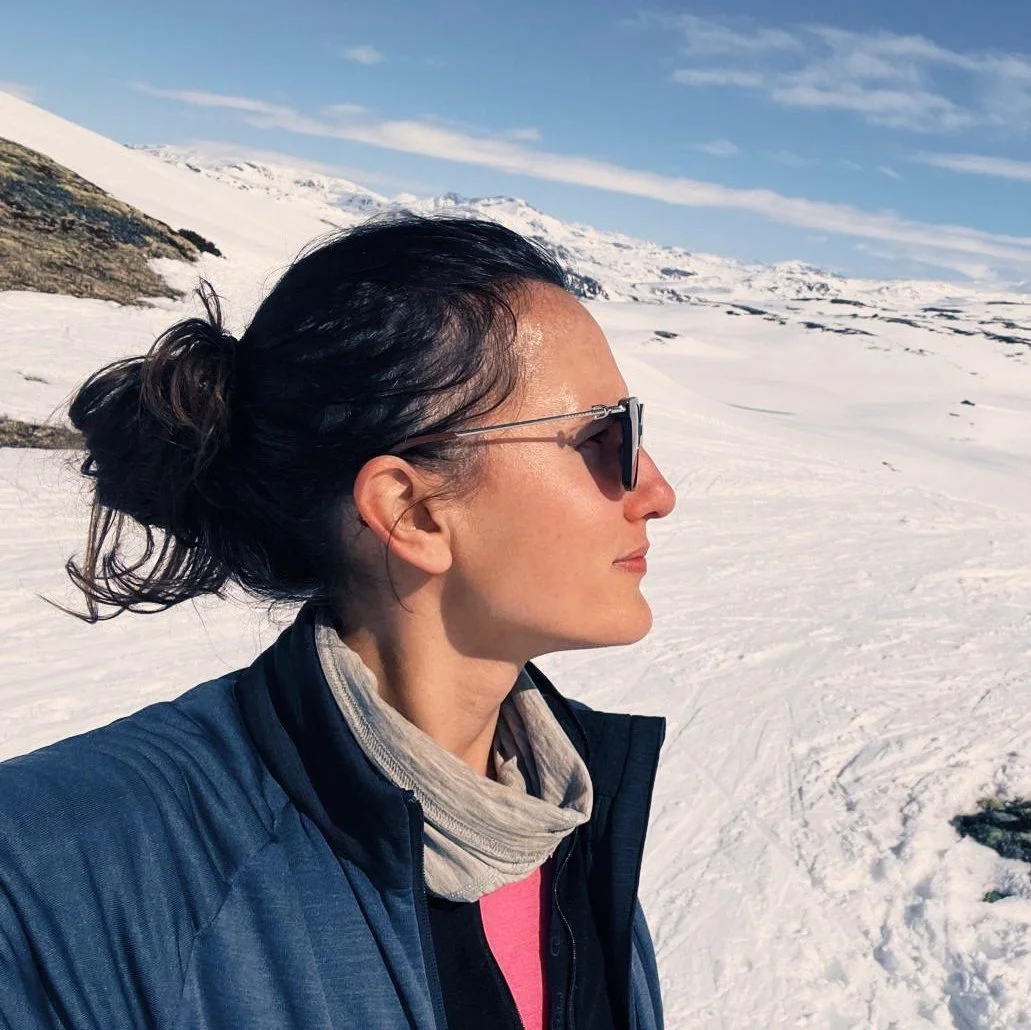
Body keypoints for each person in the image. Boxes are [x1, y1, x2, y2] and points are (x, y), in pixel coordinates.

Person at [0, 214, 677, 1030]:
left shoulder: (561, 817)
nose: (655, 490)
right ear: (412, 510)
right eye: (605, 438)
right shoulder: (51, 876)